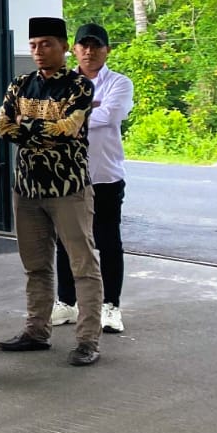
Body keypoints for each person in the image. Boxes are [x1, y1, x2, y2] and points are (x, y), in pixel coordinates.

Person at [0, 17, 103, 366]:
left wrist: (25, 127)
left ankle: (88, 340)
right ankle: (36, 331)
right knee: (36, 265)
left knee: (82, 264)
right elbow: (2, 128)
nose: (39, 51)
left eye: (46, 44)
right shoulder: (19, 84)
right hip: (26, 188)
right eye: (33, 45)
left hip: (68, 187)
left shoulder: (79, 86)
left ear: (62, 46)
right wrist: (42, 128)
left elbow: (69, 128)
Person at [54, 23, 133, 335]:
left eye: (96, 46)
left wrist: (70, 114)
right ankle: (66, 302)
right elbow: (48, 118)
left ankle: (110, 306)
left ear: (107, 50)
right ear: (73, 49)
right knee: (65, 241)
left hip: (105, 176)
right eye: (83, 45)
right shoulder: (60, 82)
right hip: (66, 175)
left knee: (108, 242)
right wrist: (85, 109)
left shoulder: (119, 83)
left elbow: (109, 116)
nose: (89, 51)